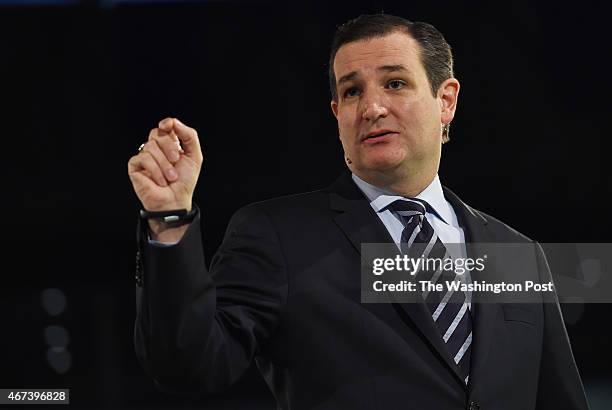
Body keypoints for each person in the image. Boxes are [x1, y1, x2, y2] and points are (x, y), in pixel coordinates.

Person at [127, 14, 589, 409]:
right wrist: (168, 220)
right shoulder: (277, 235)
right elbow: (188, 367)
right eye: (351, 92)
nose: (371, 107)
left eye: (395, 83)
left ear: (445, 100)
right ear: (336, 114)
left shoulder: (518, 254)